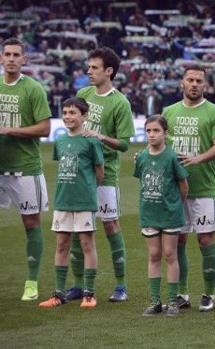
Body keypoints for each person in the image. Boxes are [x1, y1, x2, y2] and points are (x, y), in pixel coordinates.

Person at [67, 47, 135, 303]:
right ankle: (77, 285)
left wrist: (99, 136)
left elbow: (125, 144)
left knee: (110, 225)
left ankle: (120, 285)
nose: (88, 71)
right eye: (89, 66)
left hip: (105, 174)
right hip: (79, 174)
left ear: (109, 71)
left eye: (94, 67)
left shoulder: (120, 102)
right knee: (77, 227)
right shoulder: (83, 94)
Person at [163, 65, 215, 312]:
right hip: (175, 190)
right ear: (182, 82)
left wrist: (197, 158)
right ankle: (182, 293)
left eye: (199, 81)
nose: (194, 84)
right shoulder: (168, 112)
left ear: (205, 85)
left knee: (205, 240)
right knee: (178, 240)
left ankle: (209, 294)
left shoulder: (214, 112)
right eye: (190, 79)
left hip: (204, 188)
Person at [38, 97, 104, 308]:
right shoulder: (60, 142)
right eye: (65, 113)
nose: (68, 117)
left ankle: (89, 293)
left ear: (84, 116)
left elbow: (99, 172)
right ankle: (58, 294)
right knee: (61, 245)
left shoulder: (92, 141)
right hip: (63, 200)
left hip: (84, 200)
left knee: (86, 244)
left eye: (73, 113)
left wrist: (87, 190)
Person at [0, 37, 52, 301]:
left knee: (31, 223)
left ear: (24, 59)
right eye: (6, 54)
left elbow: (45, 128)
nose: (10, 58)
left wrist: (11, 130)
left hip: (26, 167)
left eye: (15, 54)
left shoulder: (33, 89)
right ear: (1, 58)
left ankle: (31, 282)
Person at [134, 115, 189, 317]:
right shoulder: (140, 157)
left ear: (165, 133)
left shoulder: (173, 157)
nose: (152, 134)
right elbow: (142, 181)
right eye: (148, 131)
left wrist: (176, 205)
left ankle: (173, 301)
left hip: (170, 214)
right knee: (154, 255)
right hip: (149, 213)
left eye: (156, 131)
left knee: (170, 254)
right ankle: (156, 302)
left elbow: (184, 186)